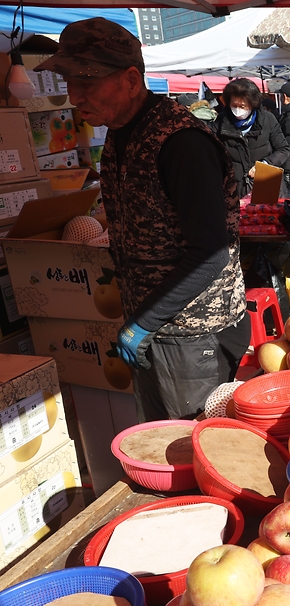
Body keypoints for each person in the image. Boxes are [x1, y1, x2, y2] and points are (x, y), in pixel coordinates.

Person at [38, 18, 249, 421]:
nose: (74, 95)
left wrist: (141, 324)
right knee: (157, 443)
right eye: (69, 81)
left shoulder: (181, 142)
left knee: (190, 447)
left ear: (131, 80)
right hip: (154, 326)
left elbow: (210, 252)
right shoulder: (120, 130)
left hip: (193, 333)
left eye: (87, 81)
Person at [212, 79, 290, 198]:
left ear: (253, 103)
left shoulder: (267, 119)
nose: (238, 110)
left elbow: (283, 149)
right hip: (236, 189)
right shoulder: (220, 123)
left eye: (242, 106)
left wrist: (265, 164)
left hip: (267, 184)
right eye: (234, 105)